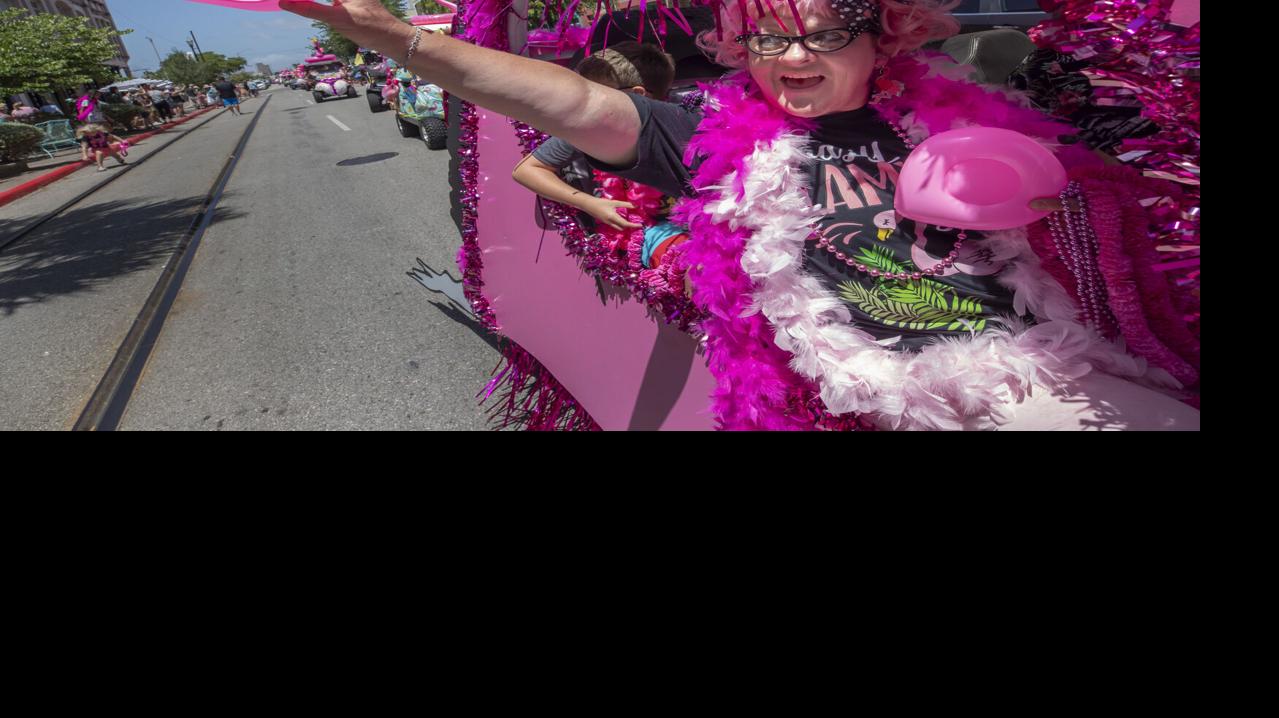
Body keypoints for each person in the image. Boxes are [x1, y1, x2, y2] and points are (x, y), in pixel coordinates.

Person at [281, 0, 1199, 431]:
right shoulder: (706, 137)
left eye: (826, 29)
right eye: (768, 33)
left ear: (888, 33)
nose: (794, 53)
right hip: (856, 394)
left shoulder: (959, 122)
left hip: (1025, 373)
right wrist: (396, 37)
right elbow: (559, 104)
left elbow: (1099, 210)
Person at [511, 41, 686, 264]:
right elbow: (526, 170)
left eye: (595, 95)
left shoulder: (687, 117)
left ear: (638, 95)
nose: (585, 104)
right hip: (645, 232)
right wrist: (589, 203)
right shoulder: (591, 128)